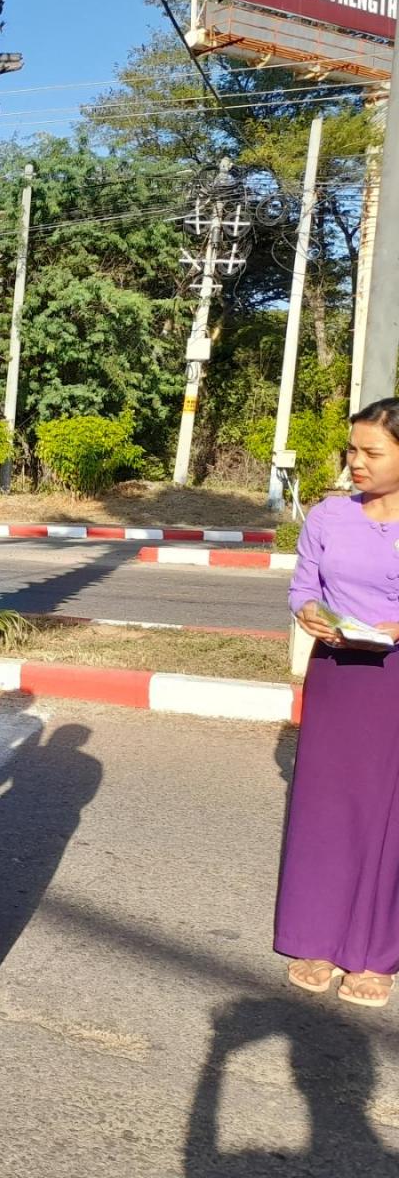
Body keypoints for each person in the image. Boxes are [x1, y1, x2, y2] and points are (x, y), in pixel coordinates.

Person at [277, 397, 399, 1010]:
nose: (356, 462)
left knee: (388, 813)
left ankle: (376, 953)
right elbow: (305, 584)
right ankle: (315, 938)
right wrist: (308, 611)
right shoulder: (328, 516)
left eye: (372, 452)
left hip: (394, 678)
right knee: (325, 806)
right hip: (336, 673)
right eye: (352, 449)